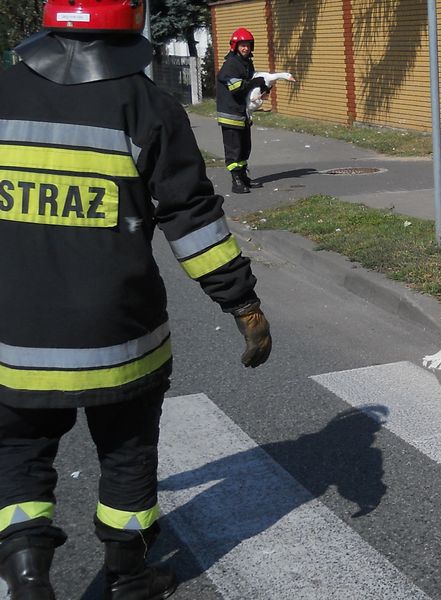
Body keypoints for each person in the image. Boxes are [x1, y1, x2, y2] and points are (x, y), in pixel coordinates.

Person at [0, 1, 273, 598]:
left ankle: (24, 573)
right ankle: (127, 577)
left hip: (11, 341)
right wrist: (243, 305)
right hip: (118, 339)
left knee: (18, 452)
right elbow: (192, 222)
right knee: (126, 456)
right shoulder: (147, 106)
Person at [216, 27, 269, 194]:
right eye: (242, 45)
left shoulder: (246, 63)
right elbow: (237, 88)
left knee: (245, 147)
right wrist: (255, 83)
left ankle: (244, 177)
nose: (245, 48)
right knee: (234, 149)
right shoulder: (231, 64)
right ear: (235, 46)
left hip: (242, 113)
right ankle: (236, 180)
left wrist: (263, 87)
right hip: (230, 114)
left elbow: (250, 83)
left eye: (247, 45)